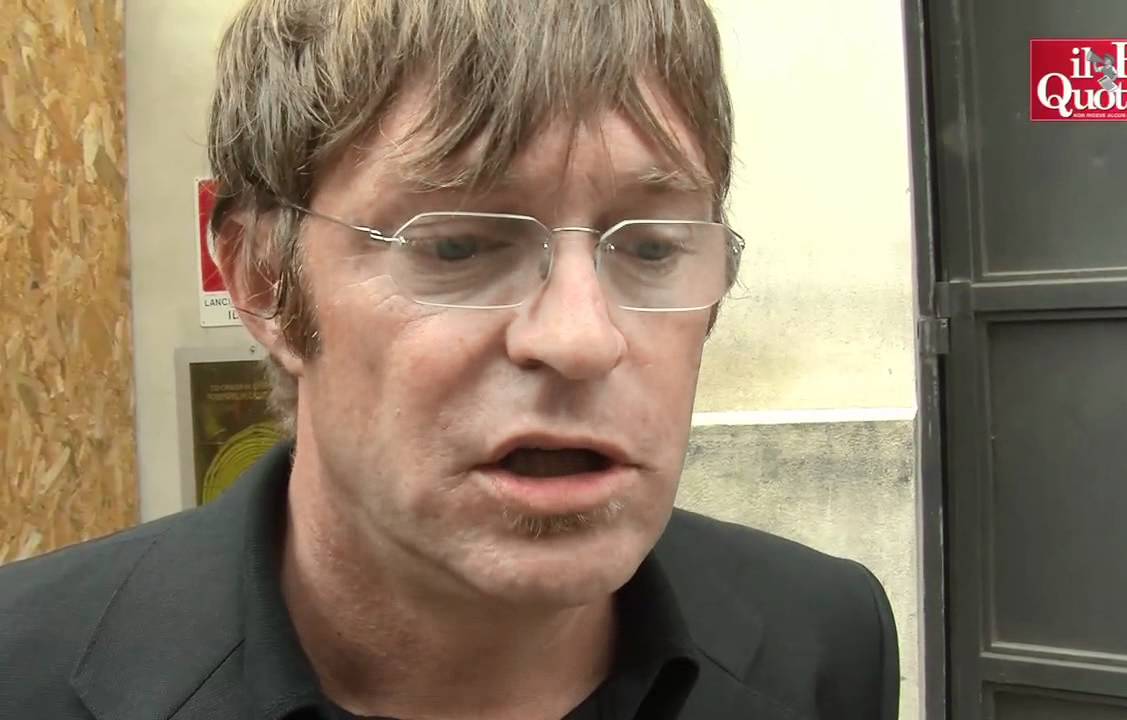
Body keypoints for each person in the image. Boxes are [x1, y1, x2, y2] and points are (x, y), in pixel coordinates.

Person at [0, 1, 899, 718]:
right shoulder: (24, 670)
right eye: (459, 247)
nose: (582, 338)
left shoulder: (823, 637)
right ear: (264, 279)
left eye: (652, 247)